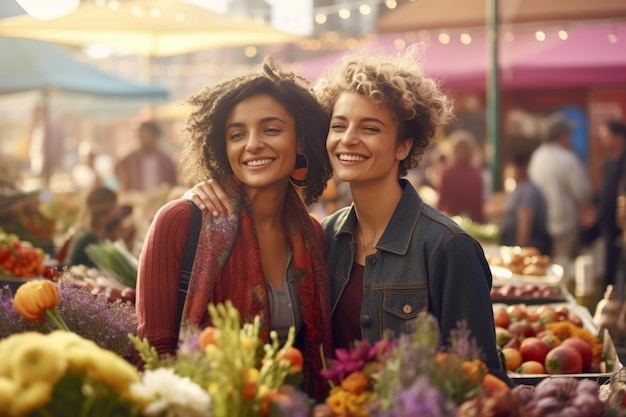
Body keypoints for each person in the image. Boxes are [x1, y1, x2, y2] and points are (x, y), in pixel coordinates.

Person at [187, 47, 511, 385]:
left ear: (403, 146)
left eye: (369, 128)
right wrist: (200, 195)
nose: (348, 140)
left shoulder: (447, 248)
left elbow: (483, 378)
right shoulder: (321, 238)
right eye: (339, 126)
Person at [135, 57, 334, 400]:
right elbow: (155, 352)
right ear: (221, 146)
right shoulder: (180, 223)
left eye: (271, 129)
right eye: (237, 134)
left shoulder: (312, 235)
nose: (252, 144)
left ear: (300, 142)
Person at [528, 113, 592, 268]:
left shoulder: (537, 157)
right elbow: (582, 193)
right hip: (565, 224)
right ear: (562, 136)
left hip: (541, 224)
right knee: (564, 268)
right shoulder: (568, 159)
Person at [499, 140, 551, 255]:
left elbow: (525, 225)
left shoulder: (528, 192)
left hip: (527, 252)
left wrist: (518, 253)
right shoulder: (519, 188)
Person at [61, 186, 133, 268]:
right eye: (116, 204)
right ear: (109, 209)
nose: (119, 208)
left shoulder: (98, 234)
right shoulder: (87, 239)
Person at [596, 119, 626, 290]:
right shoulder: (608, 162)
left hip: (621, 226)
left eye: (606, 136)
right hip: (607, 224)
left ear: (619, 137)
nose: (604, 140)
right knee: (609, 267)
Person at [114, 121, 178, 194]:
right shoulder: (130, 157)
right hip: (136, 199)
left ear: (154, 136)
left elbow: (173, 182)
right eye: (141, 136)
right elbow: (117, 168)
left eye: (146, 135)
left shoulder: (165, 159)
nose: (143, 139)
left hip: (159, 200)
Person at [437, 129, 485, 223]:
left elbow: (441, 203)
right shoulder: (477, 173)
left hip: (451, 223)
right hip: (474, 224)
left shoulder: (447, 173)